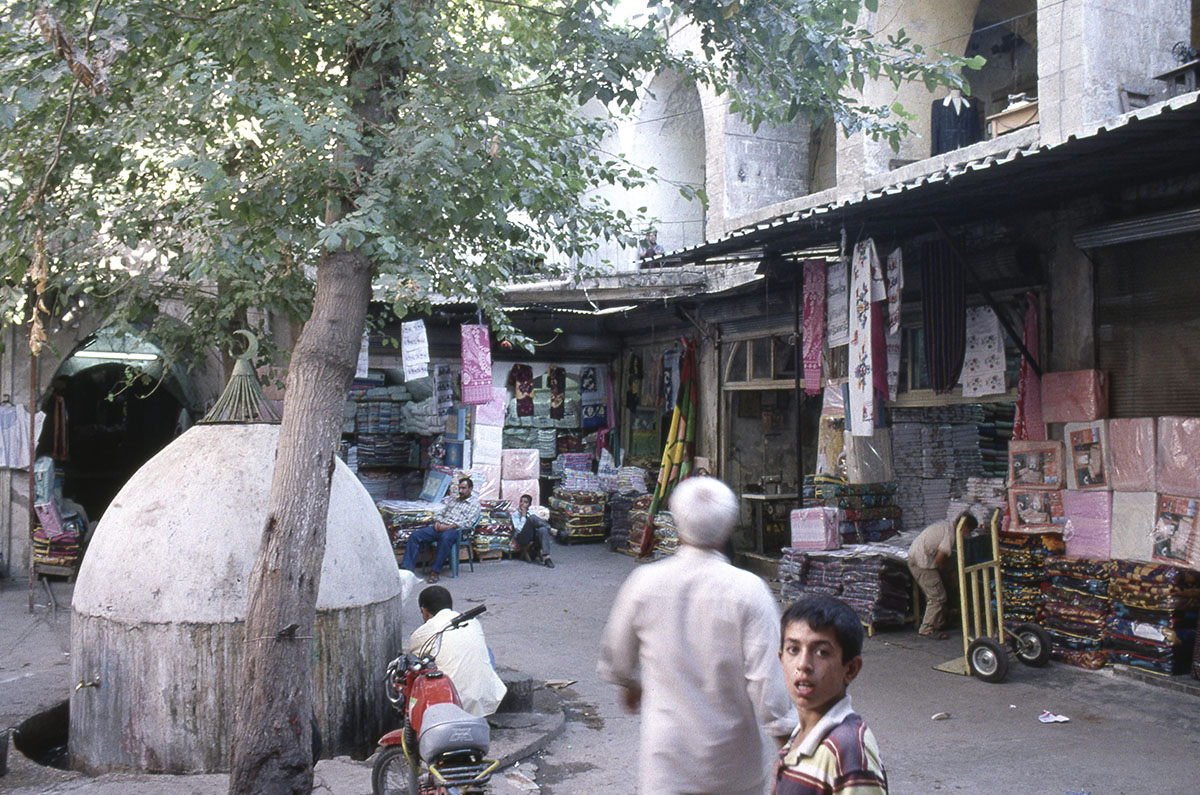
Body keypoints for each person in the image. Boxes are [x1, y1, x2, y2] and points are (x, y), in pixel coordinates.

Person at [598, 476, 796, 795]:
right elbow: (769, 684)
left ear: (676, 524)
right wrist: (789, 750)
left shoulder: (644, 583)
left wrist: (630, 684)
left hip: (667, 765)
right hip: (733, 768)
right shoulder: (750, 591)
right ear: (728, 529)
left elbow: (617, 658)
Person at [773, 595, 888, 795]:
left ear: (851, 669)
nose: (803, 665)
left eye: (821, 653)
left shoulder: (847, 750)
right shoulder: (799, 736)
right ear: (781, 659)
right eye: (793, 649)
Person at [409, 585, 507, 717]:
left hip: (452, 703)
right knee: (485, 650)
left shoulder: (422, 633)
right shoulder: (473, 621)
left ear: (424, 611)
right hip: (486, 698)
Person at [907, 511, 978, 639]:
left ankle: (938, 623)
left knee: (936, 592)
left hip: (919, 558)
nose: (967, 535)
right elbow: (940, 560)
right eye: (968, 531)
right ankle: (927, 628)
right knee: (937, 597)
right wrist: (950, 576)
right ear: (965, 528)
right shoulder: (950, 534)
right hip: (921, 562)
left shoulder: (946, 526)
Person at [403, 476, 481, 583]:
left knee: (445, 538)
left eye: (463, 488)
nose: (460, 491)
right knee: (416, 536)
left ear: (470, 489)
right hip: (441, 527)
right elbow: (441, 513)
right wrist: (437, 522)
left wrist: (450, 526)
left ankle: (434, 572)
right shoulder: (453, 501)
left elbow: (468, 522)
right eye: (460, 488)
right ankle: (407, 569)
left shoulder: (474, 504)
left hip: (456, 530)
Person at [510, 494, 555, 568]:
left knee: (543, 529)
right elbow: (519, 530)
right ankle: (552, 530)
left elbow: (538, 527)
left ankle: (546, 557)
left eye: (525, 502)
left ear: (529, 505)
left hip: (533, 535)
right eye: (521, 501)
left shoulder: (532, 513)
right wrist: (523, 516)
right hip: (522, 537)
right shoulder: (515, 515)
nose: (522, 504)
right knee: (531, 518)